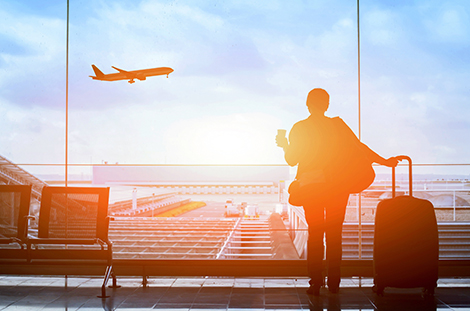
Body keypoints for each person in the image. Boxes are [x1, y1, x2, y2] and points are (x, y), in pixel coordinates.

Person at [276, 88, 398, 295]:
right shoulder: (337, 126)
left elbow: (291, 160)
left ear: (308, 104)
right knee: (334, 235)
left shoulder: (300, 128)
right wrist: (384, 162)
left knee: (315, 235)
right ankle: (334, 282)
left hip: (311, 187)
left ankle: (315, 283)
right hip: (337, 187)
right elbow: (360, 147)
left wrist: (284, 144)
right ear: (327, 105)